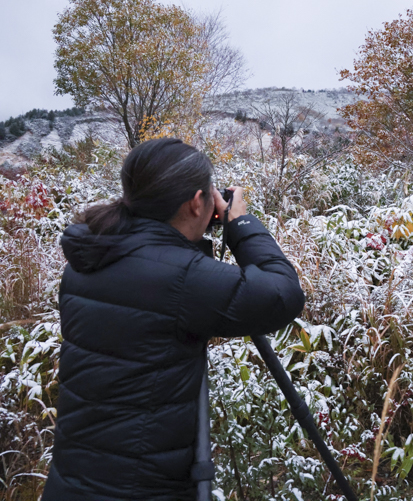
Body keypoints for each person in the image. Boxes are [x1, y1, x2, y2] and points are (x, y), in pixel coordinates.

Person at [41, 138, 305, 500]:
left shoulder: (89, 258)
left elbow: (156, 274)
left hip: (71, 482)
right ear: (197, 202)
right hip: (141, 490)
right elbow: (283, 294)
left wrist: (186, 235)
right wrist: (239, 222)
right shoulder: (183, 280)